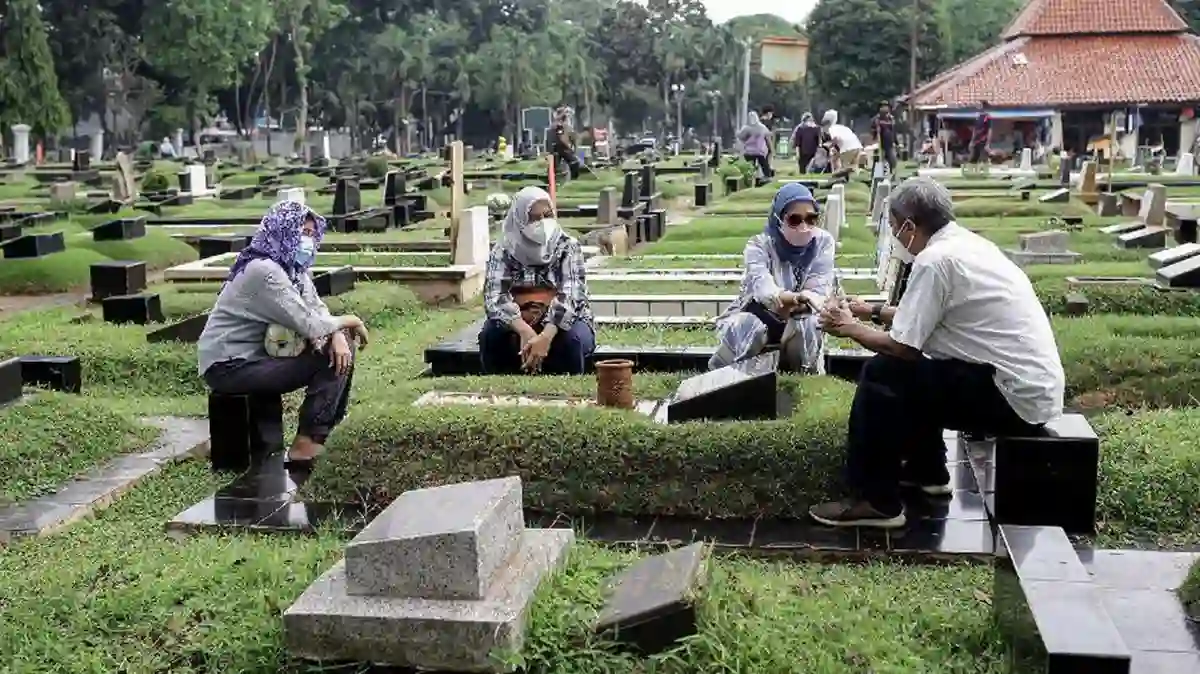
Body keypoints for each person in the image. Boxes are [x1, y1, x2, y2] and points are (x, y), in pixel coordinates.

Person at [810, 177, 1065, 528]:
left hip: (1012, 399)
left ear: (910, 226)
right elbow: (928, 317)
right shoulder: (967, 245)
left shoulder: (935, 260)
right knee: (926, 372)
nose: (895, 236)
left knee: (884, 373)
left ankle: (877, 501)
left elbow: (904, 347)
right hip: (1028, 390)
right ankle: (927, 473)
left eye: (895, 227)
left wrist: (847, 327)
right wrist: (870, 311)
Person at [197, 201, 369, 467]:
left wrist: (336, 332)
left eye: (312, 235)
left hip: (254, 360)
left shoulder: (293, 269)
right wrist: (350, 320)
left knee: (340, 345)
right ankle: (306, 442)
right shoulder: (264, 270)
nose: (308, 241)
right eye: (303, 232)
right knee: (328, 357)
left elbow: (316, 311)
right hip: (228, 367)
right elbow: (310, 324)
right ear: (282, 229)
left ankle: (325, 431)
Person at [709, 183, 835, 372]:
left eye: (811, 218)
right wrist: (797, 297)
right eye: (794, 219)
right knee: (748, 326)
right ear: (778, 218)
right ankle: (726, 375)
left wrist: (803, 301)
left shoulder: (823, 242)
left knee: (809, 323)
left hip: (799, 316)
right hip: (760, 315)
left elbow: (819, 289)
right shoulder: (758, 246)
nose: (804, 226)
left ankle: (803, 379)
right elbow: (765, 291)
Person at [481, 186, 596, 375]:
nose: (543, 223)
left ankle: (569, 390)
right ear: (520, 220)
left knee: (572, 340)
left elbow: (572, 294)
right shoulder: (503, 249)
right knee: (490, 337)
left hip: (561, 321)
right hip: (518, 319)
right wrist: (524, 330)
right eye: (535, 218)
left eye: (548, 215)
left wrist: (546, 335)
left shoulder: (568, 246)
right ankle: (497, 388)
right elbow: (495, 297)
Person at [737, 112, 773, 179]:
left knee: (750, 166)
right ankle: (767, 176)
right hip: (760, 150)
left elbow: (741, 137)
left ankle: (749, 178)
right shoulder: (762, 127)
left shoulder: (746, 128)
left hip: (749, 151)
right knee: (764, 164)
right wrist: (770, 148)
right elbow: (768, 135)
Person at [870, 101, 898, 176]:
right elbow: (872, 132)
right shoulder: (876, 119)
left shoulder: (891, 119)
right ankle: (875, 175)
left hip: (889, 144)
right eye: (883, 106)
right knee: (878, 161)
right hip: (880, 144)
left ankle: (893, 175)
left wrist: (896, 142)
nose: (885, 108)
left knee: (893, 161)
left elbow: (893, 131)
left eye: (886, 106)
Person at [970, 100, 992, 166]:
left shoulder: (987, 117)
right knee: (974, 158)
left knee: (982, 158)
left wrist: (988, 143)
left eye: (979, 105)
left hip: (983, 140)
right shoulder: (977, 117)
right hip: (976, 141)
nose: (977, 106)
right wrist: (972, 141)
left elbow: (990, 130)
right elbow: (975, 130)